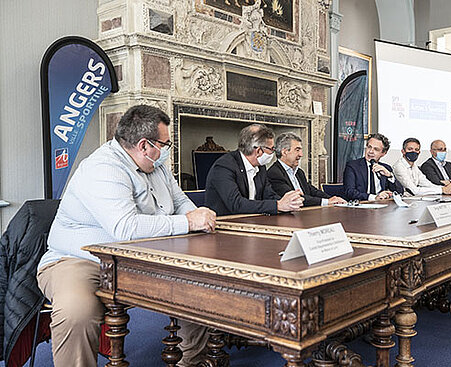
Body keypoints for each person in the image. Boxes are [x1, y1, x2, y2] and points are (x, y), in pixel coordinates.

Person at [36, 105, 216, 367]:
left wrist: (198, 215)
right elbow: (126, 229)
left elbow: (179, 201)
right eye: (165, 144)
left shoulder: (157, 166)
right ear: (144, 145)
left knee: (199, 282)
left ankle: (190, 361)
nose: (167, 151)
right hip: (81, 259)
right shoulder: (102, 168)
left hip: (139, 257)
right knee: (77, 312)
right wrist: (188, 222)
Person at [205, 124, 304, 216]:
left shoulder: (261, 167)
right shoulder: (224, 166)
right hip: (224, 226)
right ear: (258, 151)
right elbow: (236, 204)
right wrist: (277, 205)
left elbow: (269, 195)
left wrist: (289, 202)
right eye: (271, 149)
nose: (273, 153)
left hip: (253, 222)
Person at [267, 132, 346, 206]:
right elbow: (295, 199)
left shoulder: (299, 172)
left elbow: (312, 191)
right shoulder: (274, 173)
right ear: (284, 152)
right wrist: (326, 202)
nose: (301, 154)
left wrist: (333, 199)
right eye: (297, 150)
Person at [343, 133, 404, 201]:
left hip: (381, 208)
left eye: (376, 149)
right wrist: (373, 197)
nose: (371, 151)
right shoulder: (353, 166)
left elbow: (400, 192)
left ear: (383, 153)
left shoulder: (386, 168)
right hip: (360, 207)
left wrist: (389, 176)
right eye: (369, 147)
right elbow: (349, 192)